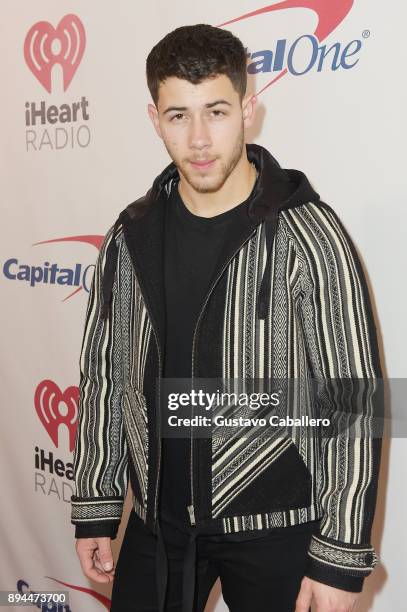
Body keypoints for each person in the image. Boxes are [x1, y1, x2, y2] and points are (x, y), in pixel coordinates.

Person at [71, 23, 383, 612]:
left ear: (247, 107)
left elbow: (353, 400)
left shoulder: (309, 233)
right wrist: (96, 503)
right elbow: (105, 377)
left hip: (279, 526)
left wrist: (339, 555)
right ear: (153, 117)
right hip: (158, 523)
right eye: (177, 116)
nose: (198, 139)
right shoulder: (131, 235)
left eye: (215, 111)